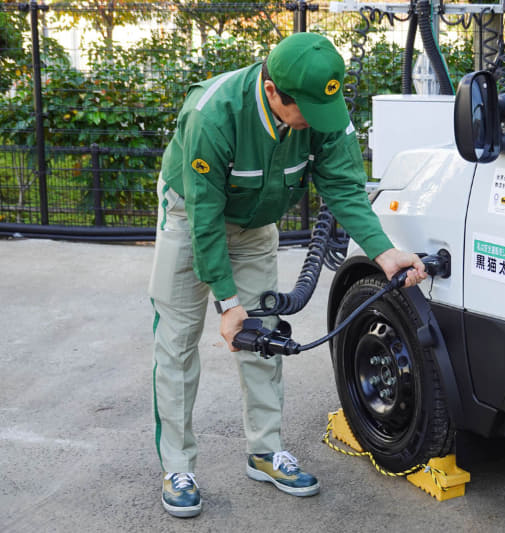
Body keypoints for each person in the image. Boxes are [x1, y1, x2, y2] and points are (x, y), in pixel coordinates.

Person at [148, 32, 426, 518]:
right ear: (273, 93)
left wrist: (383, 252)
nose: (316, 125)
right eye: (308, 113)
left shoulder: (321, 108)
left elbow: (342, 184)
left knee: (264, 337)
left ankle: (265, 450)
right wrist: (228, 305)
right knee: (177, 341)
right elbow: (205, 218)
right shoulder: (212, 115)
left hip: (256, 225)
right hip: (190, 220)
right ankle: (177, 466)